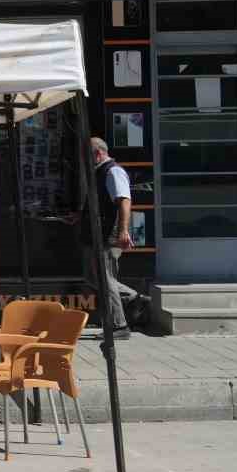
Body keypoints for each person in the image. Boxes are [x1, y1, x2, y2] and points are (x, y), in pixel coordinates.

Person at [90, 136, 136, 337]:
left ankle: (119, 325)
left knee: (106, 280)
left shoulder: (113, 171)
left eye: (87, 155)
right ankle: (134, 298)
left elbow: (124, 202)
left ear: (98, 153)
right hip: (99, 233)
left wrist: (123, 231)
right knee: (97, 277)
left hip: (109, 235)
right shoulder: (100, 171)